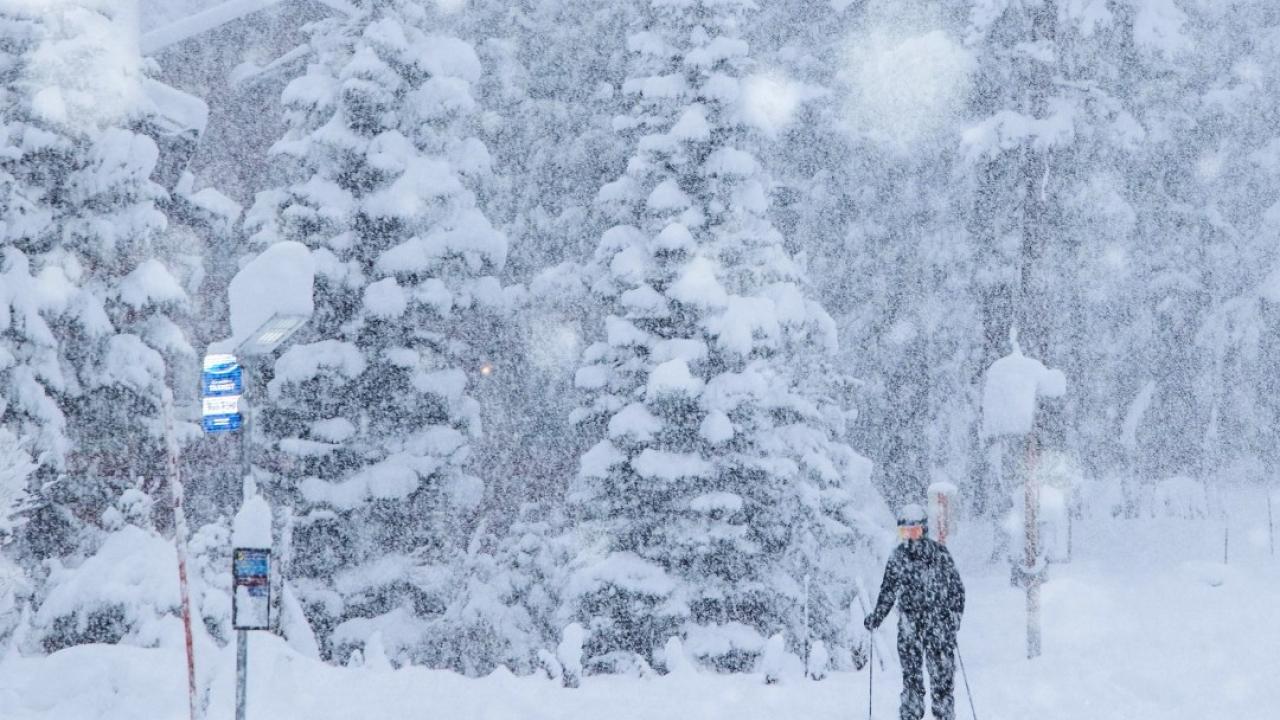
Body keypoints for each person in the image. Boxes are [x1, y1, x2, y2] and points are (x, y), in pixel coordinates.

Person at [865, 504, 966, 720]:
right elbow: (888, 591)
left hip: (938, 625)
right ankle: (911, 714)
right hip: (910, 624)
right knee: (911, 678)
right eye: (905, 532)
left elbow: (956, 590)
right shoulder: (898, 557)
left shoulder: (939, 554)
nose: (911, 537)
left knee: (942, 678)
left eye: (915, 531)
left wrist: (953, 619)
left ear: (924, 530)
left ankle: (944, 715)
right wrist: (877, 617)